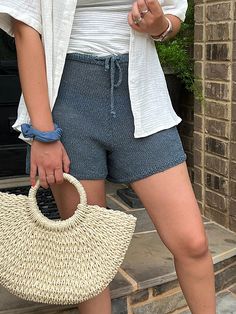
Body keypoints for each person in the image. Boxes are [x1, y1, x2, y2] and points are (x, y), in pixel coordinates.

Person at [0, 0, 216, 313]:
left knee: (193, 243)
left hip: (143, 97)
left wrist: (159, 26)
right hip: (69, 103)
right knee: (90, 258)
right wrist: (43, 133)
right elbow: (26, 27)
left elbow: (172, 15)